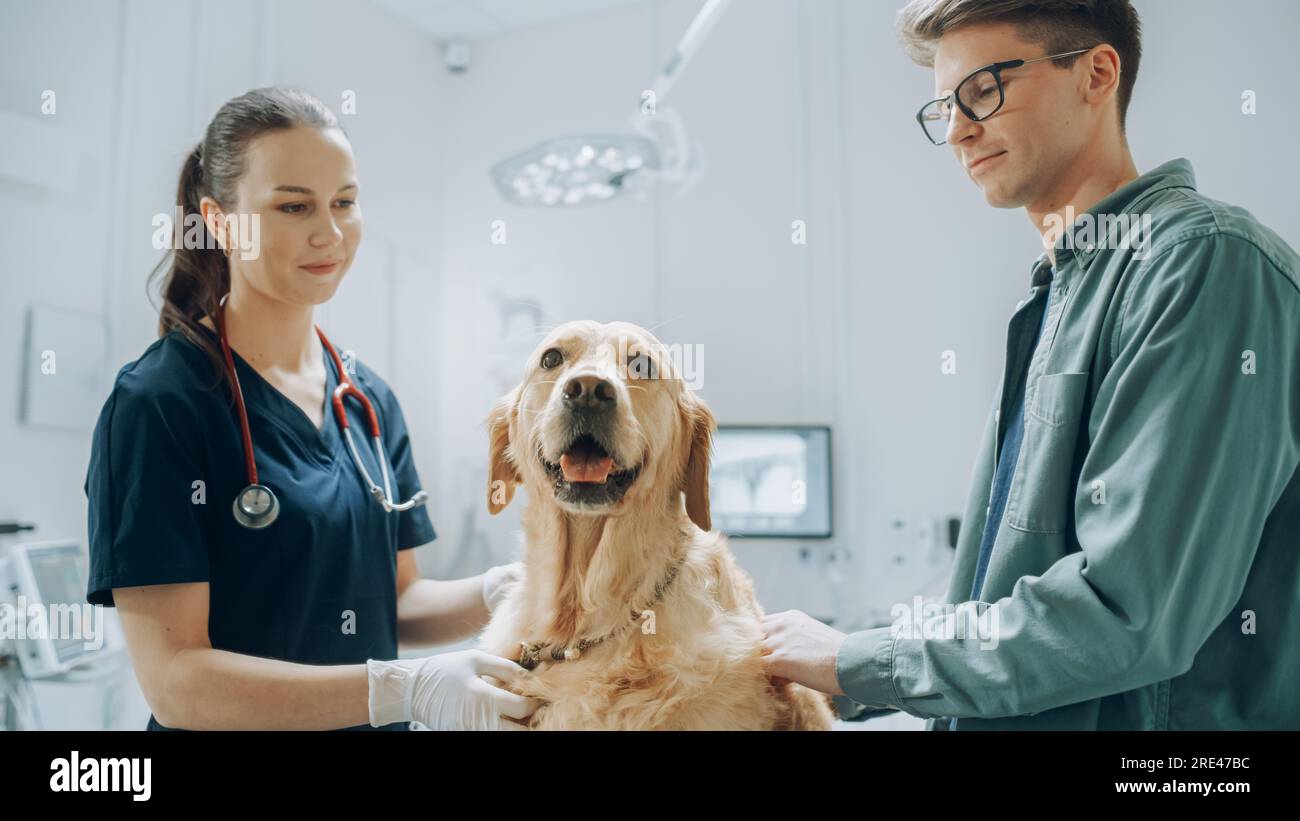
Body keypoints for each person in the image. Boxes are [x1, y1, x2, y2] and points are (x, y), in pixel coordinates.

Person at [761, 0, 1300, 729]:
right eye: (943, 108)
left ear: (1096, 74)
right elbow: (1008, 602)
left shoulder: (1201, 264)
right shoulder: (1055, 299)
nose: (957, 129)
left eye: (983, 90)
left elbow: (1128, 610)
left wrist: (856, 659)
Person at [84, 87, 539, 731]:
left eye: (344, 203)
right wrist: (402, 689)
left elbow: (399, 598)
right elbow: (178, 681)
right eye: (294, 206)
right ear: (219, 220)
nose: (329, 233)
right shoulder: (160, 404)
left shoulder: (369, 401)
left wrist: (512, 589)